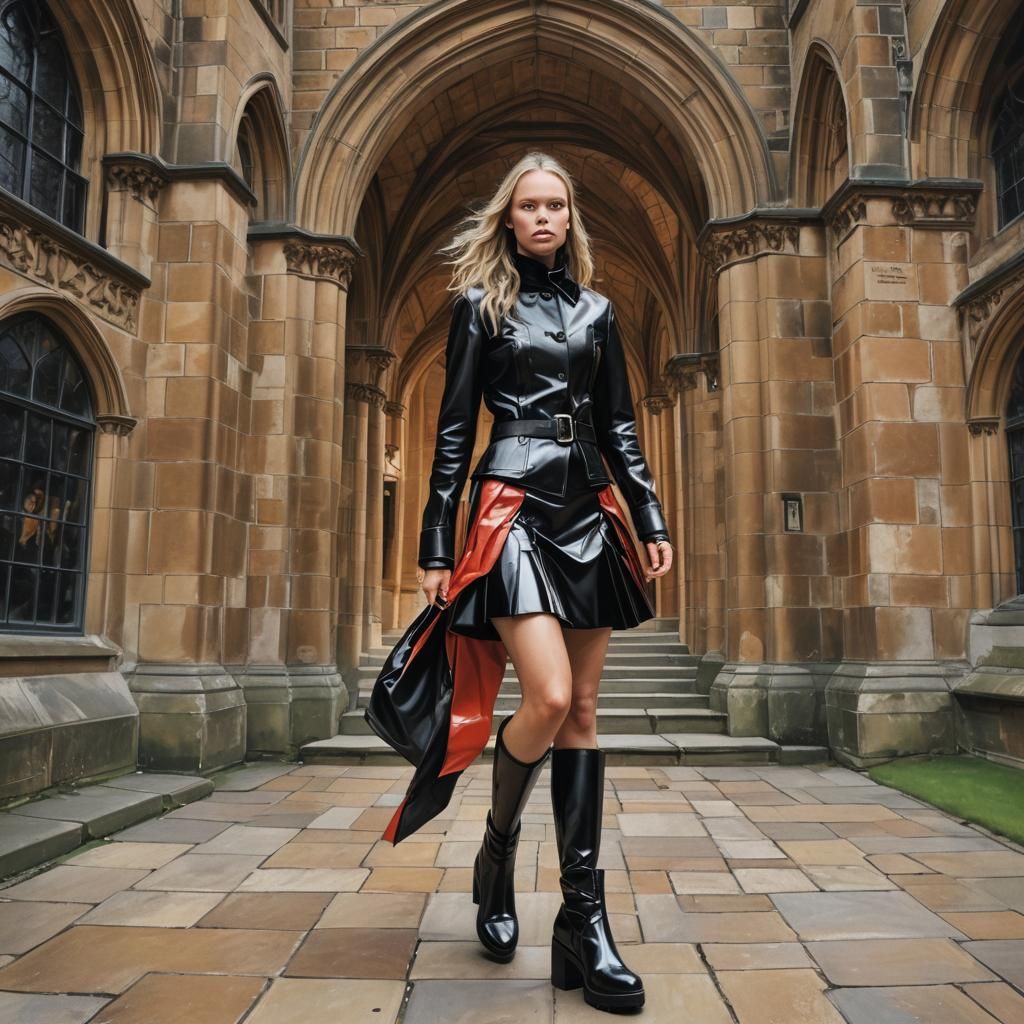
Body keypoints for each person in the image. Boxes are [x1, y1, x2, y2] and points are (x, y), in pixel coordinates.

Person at [369, 151, 672, 1014]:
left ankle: (583, 920)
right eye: (529, 206)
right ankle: (497, 851)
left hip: (588, 512)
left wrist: (648, 518)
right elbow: (455, 433)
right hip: (510, 510)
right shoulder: (477, 307)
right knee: (543, 695)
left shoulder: (601, 312)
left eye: (557, 206)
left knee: (581, 709)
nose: (544, 218)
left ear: (572, 218)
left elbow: (620, 423)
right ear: (508, 218)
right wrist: (436, 541)